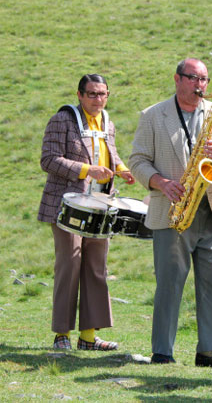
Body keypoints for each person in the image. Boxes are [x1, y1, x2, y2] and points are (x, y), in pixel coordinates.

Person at [129, 58, 212, 368]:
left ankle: (211, 350)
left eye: (204, 79)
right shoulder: (152, 116)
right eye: (193, 78)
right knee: (169, 283)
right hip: (172, 212)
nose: (200, 84)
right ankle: (162, 351)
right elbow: (137, 160)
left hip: (209, 211)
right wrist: (161, 183)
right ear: (177, 79)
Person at [38, 73, 135, 351]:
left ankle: (89, 337)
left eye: (102, 94)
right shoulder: (62, 120)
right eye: (91, 94)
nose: (98, 99)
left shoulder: (108, 122)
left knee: (96, 269)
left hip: (100, 206)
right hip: (67, 206)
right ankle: (61, 336)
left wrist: (123, 170)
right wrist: (86, 170)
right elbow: (48, 159)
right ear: (79, 95)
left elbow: (109, 154)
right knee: (69, 266)